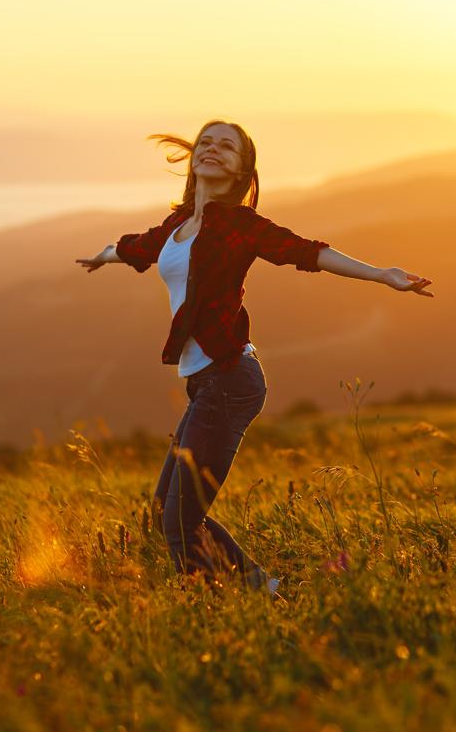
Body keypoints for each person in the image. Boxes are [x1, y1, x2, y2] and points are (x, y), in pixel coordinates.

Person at [75, 120, 434, 596]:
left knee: (180, 521)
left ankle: (236, 601)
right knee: (168, 511)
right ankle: (267, 589)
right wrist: (103, 256)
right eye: (206, 142)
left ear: (244, 168)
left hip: (231, 380)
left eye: (227, 147)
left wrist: (382, 274)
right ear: (193, 158)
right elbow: (135, 248)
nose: (212, 150)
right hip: (204, 384)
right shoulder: (177, 226)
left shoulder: (241, 226)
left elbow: (307, 252)